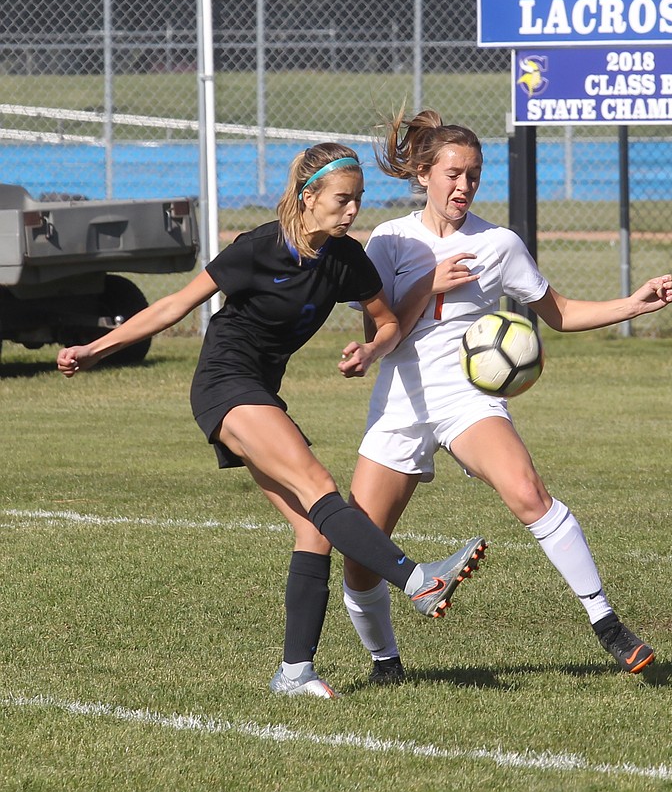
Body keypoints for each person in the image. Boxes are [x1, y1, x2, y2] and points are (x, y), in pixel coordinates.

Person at [57, 143, 487, 698]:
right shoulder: (259, 247)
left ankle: (294, 674)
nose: (352, 211)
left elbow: (384, 322)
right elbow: (175, 305)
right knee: (320, 487)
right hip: (224, 386)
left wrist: (370, 351)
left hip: (261, 392)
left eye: (358, 200)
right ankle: (418, 581)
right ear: (308, 197)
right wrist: (97, 348)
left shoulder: (345, 258)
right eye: (341, 200)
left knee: (314, 527)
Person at [340, 109, 672, 682]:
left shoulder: (499, 244)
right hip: (401, 401)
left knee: (527, 492)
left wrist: (633, 303)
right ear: (423, 174)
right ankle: (385, 665)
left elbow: (562, 313)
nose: (464, 186)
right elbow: (380, 330)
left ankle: (608, 625)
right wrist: (429, 283)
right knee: (362, 552)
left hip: (466, 399)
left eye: (473, 174)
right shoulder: (391, 240)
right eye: (452, 174)